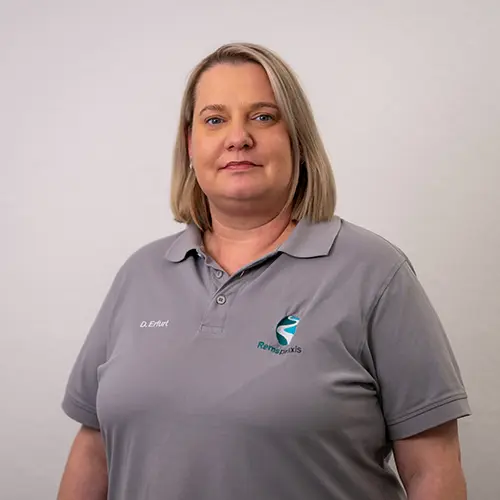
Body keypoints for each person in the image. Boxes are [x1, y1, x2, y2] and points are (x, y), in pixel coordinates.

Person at [57, 42, 471, 500]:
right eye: (215, 120)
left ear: (297, 139)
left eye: (262, 116)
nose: (238, 138)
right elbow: (93, 449)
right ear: (191, 144)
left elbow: (433, 470)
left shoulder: (376, 274)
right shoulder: (140, 275)